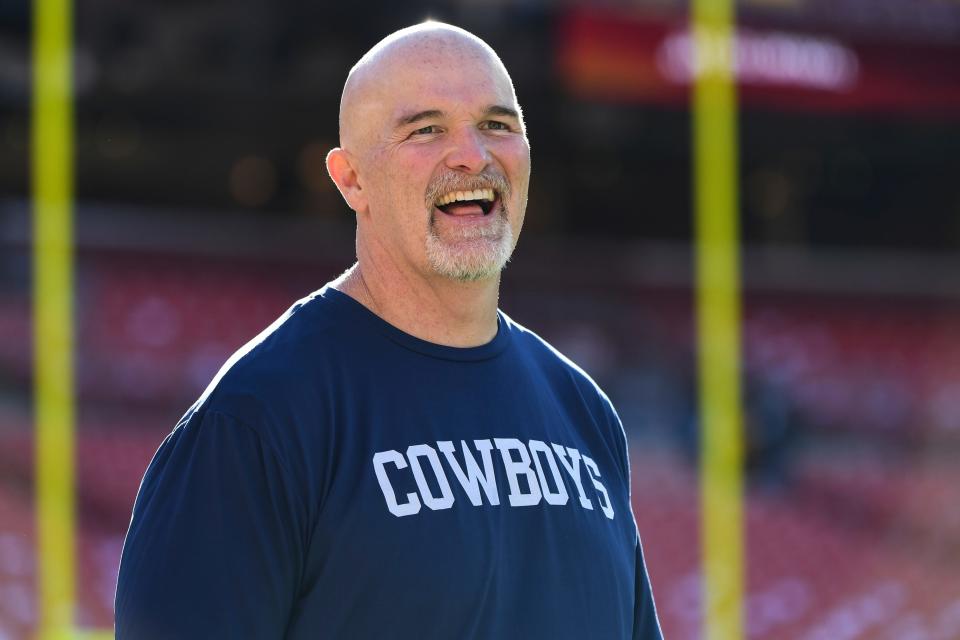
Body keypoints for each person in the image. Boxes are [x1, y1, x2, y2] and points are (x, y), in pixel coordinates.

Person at [115, 22, 662, 640]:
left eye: (498, 125)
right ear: (350, 179)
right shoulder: (258, 419)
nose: (473, 156)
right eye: (426, 129)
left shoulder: (584, 413)